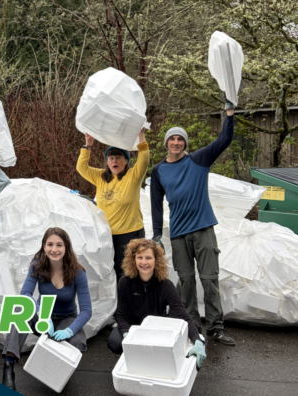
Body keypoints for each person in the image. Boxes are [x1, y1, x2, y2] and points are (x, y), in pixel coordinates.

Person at [150, 100, 236, 346]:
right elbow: (156, 204)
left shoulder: (199, 160)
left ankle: (216, 327)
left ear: (185, 144)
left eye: (180, 139)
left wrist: (228, 113)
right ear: (166, 142)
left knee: (209, 279)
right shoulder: (158, 171)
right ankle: (192, 325)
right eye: (172, 139)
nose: (176, 142)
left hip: (203, 229)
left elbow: (224, 140)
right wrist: (157, 234)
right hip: (178, 234)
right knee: (186, 281)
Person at [1, 227, 92, 391]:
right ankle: (8, 367)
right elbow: (26, 294)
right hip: (44, 317)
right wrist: (42, 315)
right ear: (44, 246)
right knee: (18, 312)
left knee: (77, 341)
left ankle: (61, 371)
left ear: (66, 247)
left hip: (66, 318)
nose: (54, 249)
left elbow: (86, 310)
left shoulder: (78, 272)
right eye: (50, 244)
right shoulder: (37, 265)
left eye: (59, 245)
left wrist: (69, 331)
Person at [107, 239, 207, 369]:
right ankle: (133, 358)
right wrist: (127, 334)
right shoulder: (125, 282)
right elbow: (121, 315)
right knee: (115, 342)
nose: (144, 262)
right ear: (133, 260)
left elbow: (182, 315)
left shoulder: (166, 286)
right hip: (132, 327)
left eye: (148, 258)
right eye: (139, 257)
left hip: (155, 329)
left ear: (156, 260)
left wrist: (198, 340)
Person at [77, 129, 149, 282]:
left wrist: (140, 135)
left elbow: (143, 158)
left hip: (131, 233)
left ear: (126, 161)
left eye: (118, 158)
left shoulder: (133, 176)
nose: (114, 161)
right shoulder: (100, 177)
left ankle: (134, 304)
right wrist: (88, 145)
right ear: (107, 162)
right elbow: (81, 168)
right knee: (113, 271)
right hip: (108, 234)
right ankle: (118, 305)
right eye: (111, 158)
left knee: (129, 272)